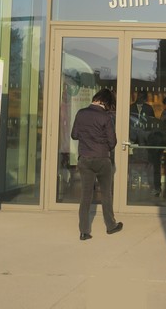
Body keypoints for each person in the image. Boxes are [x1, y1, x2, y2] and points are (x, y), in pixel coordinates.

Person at [71, 88, 123, 241]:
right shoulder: (105, 117)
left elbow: (74, 135)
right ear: (105, 102)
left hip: (85, 159)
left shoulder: (81, 113)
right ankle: (111, 226)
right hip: (101, 159)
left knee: (85, 196)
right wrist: (101, 144)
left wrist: (87, 138)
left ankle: (84, 231)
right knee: (106, 194)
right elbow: (112, 142)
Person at [148, 96, 166, 197]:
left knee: (159, 165)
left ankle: (159, 188)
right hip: (163, 142)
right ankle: (159, 188)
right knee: (162, 165)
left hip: (161, 142)